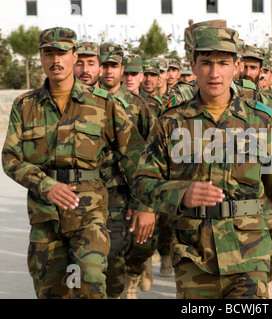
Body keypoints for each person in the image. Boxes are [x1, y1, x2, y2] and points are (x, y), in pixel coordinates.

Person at [133, 25, 272, 299]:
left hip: (250, 252)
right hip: (194, 255)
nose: (214, 72)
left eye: (223, 63)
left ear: (237, 66)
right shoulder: (171, 122)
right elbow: (143, 182)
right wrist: (181, 193)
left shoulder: (259, 120)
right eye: (206, 63)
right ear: (194, 66)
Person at [1, 27, 153, 299]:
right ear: (41, 58)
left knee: (91, 280)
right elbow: (10, 158)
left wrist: (144, 204)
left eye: (62, 53)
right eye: (49, 53)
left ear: (73, 56)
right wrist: (45, 185)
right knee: (53, 291)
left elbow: (135, 156)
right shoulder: (25, 105)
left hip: (90, 212)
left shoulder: (103, 103)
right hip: (45, 215)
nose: (55, 60)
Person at [99, 44, 156, 299]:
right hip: (97, 188)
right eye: (104, 65)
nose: (108, 71)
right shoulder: (86, 101)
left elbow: (150, 151)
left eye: (113, 66)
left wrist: (141, 198)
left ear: (122, 70)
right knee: (109, 252)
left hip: (128, 188)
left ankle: (135, 273)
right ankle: (118, 289)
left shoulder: (137, 105)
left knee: (138, 244)